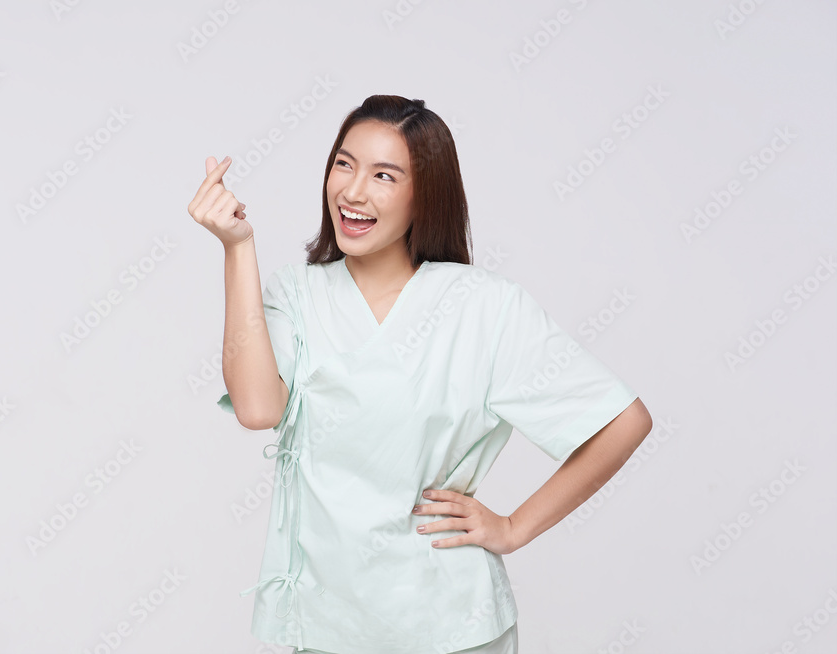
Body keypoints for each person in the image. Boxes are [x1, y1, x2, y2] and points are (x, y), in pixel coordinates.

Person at [189, 95, 653, 654]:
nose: (353, 191)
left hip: (451, 626)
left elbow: (623, 422)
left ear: (425, 194)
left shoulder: (483, 306)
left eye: (384, 175)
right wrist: (238, 248)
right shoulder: (298, 295)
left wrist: (513, 528)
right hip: (326, 625)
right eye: (344, 164)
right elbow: (258, 408)